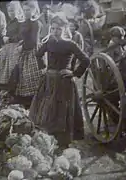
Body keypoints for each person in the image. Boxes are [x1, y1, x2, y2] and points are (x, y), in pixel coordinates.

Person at [29, 13, 90, 147]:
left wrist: (74, 73)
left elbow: (86, 60)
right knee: (47, 107)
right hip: (49, 80)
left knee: (62, 110)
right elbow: (38, 54)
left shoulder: (70, 44)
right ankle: (47, 137)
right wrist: (43, 68)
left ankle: (62, 139)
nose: (55, 32)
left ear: (65, 29)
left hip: (64, 82)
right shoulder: (49, 42)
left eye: (58, 29)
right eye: (53, 28)